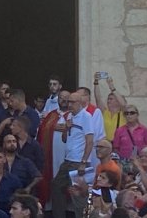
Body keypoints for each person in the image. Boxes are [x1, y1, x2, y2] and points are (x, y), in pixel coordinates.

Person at [50, 90, 94, 218]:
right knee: (56, 185)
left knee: (77, 194)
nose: (69, 104)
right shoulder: (69, 116)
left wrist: (83, 162)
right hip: (67, 160)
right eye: (68, 101)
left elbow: (90, 141)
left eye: (72, 102)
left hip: (78, 162)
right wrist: (66, 128)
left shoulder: (86, 117)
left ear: (80, 103)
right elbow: (65, 139)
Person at [91, 73, 126, 140]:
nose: (108, 101)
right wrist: (96, 82)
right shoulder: (105, 112)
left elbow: (123, 104)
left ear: (118, 101)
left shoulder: (124, 114)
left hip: (119, 145)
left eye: (111, 99)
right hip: (106, 145)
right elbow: (98, 99)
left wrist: (111, 86)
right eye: (108, 99)